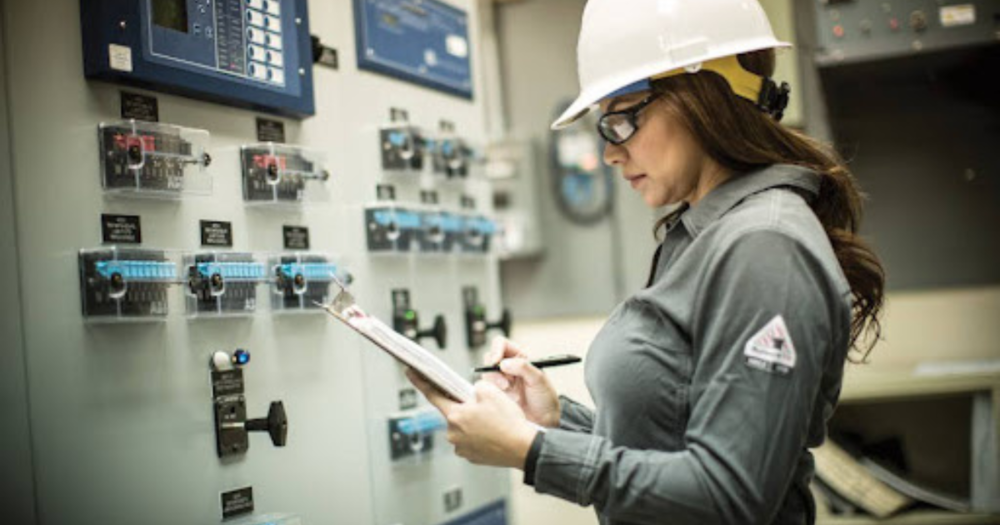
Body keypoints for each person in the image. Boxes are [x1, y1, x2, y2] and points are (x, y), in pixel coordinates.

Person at [406, 0, 885, 523]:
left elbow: (729, 496)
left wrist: (530, 452)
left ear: (704, 98)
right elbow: (668, 443)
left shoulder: (765, 246)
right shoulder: (705, 234)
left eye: (622, 119)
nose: (610, 153)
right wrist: (555, 422)